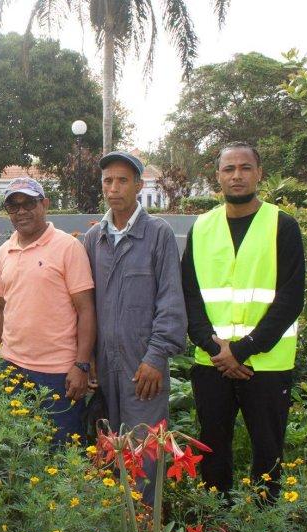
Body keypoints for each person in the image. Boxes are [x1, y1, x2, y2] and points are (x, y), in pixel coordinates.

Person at [182, 142, 304, 501]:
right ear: (218, 176)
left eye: (245, 168)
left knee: (268, 453)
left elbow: (289, 299)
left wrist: (242, 350)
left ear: (259, 173)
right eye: (229, 169)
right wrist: (216, 348)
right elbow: (190, 295)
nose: (237, 175)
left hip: (265, 365)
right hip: (212, 363)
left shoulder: (282, 225)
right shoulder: (201, 228)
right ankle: (215, 527)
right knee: (212, 450)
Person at [83, 152, 187, 501]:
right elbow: (88, 306)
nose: (113, 188)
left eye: (122, 180)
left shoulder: (158, 234)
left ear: (139, 185)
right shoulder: (94, 239)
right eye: (108, 181)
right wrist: (90, 357)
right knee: (108, 448)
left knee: (144, 452)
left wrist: (156, 356)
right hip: (105, 367)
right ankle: (116, 530)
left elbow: (171, 302)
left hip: (142, 367)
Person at [0, 177, 96, 444]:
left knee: (63, 453)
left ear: (45, 204)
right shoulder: (5, 251)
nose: (21, 211)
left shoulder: (68, 247)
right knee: (16, 451)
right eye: (14, 207)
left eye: (29, 203)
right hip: (11, 367)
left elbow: (86, 309)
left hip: (58, 373)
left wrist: (81, 364)